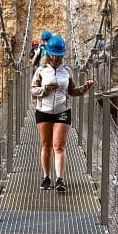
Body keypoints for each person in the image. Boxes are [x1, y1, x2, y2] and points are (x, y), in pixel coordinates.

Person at [31, 34, 94, 193]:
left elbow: (72, 91)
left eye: (58, 55)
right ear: (48, 53)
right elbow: (33, 91)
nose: (56, 58)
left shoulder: (67, 71)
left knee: (58, 145)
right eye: (53, 54)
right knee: (45, 145)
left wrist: (84, 88)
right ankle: (46, 177)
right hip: (43, 111)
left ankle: (60, 179)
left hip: (62, 111)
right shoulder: (41, 70)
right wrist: (45, 89)